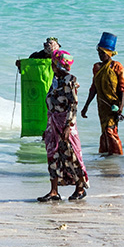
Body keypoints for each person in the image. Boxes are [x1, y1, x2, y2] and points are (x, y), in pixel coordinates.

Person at [38, 50, 88, 201]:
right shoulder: (55, 79)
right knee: (52, 156)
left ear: (57, 65)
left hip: (66, 125)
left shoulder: (69, 80)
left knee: (72, 156)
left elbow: (73, 105)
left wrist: (68, 126)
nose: (52, 67)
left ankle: (80, 189)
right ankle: (54, 191)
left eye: (53, 64)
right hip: (53, 124)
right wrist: (47, 128)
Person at [81, 32, 124, 155]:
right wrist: (86, 106)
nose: (100, 55)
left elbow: (122, 89)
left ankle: (117, 155)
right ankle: (107, 156)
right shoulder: (97, 67)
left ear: (109, 53)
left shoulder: (117, 67)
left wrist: (120, 108)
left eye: (103, 53)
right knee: (105, 131)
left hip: (113, 106)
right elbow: (93, 88)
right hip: (102, 106)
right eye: (99, 53)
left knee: (110, 130)